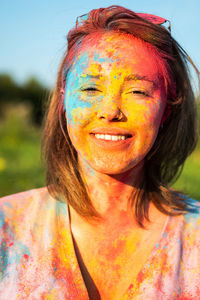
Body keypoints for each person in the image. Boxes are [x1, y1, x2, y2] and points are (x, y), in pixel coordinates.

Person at [0, 5, 200, 299]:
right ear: (63, 102)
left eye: (138, 91)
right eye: (91, 89)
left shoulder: (194, 238)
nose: (110, 111)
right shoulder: (7, 228)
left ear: (166, 110)